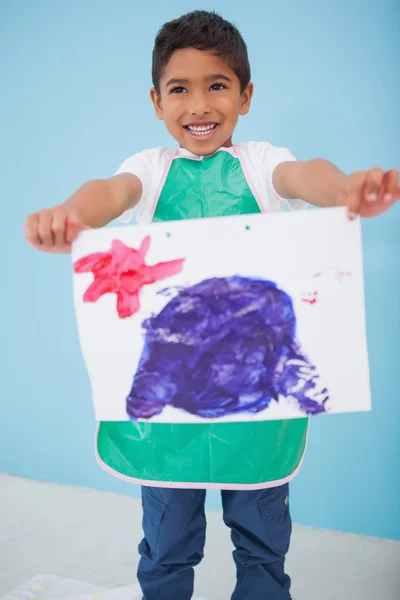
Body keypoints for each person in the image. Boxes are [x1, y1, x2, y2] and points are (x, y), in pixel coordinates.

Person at [24, 10, 399, 600]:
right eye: (180, 89)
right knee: (167, 539)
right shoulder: (147, 170)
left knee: (263, 536)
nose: (199, 105)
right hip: (171, 409)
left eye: (217, 86)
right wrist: (73, 214)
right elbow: (108, 193)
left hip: (258, 406)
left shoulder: (262, 162)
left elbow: (306, 176)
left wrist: (345, 189)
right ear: (156, 101)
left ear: (245, 96)